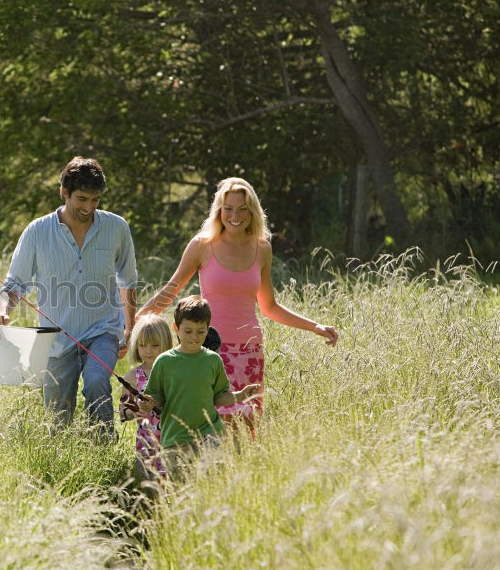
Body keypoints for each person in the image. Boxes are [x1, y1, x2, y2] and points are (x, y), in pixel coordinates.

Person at [137, 177, 338, 431]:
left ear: (252, 211)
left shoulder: (262, 248)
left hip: (249, 351)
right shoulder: (202, 245)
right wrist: (136, 321)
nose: (235, 215)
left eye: (242, 209)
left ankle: (238, 471)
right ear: (219, 210)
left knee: (244, 424)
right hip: (207, 348)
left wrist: (315, 326)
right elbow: (172, 289)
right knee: (208, 423)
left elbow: (269, 307)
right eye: (228, 208)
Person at [0, 157, 138, 439]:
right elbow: (14, 284)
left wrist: (129, 329)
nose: (89, 207)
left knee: (96, 382)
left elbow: (128, 280)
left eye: (95, 200)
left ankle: (104, 451)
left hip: (103, 330)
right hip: (56, 338)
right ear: (64, 192)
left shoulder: (117, 228)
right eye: (82, 198)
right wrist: (4, 312)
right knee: (58, 421)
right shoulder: (37, 231)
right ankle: (63, 462)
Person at [135, 296, 260, 477]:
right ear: (176, 329)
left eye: (200, 332)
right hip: (175, 438)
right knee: (182, 489)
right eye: (188, 331)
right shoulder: (164, 362)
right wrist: (149, 403)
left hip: (210, 434)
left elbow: (218, 396)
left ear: (207, 330)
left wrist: (239, 395)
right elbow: (156, 397)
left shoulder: (213, 360)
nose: (194, 337)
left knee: (211, 481)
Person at [119, 314, 172, 480]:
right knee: (147, 484)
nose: (148, 350)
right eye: (142, 345)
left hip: (172, 437)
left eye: (155, 345)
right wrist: (135, 411)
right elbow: (122, 413)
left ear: (166, 345)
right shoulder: (132, 377)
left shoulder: (173, 372)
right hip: (146, 442)